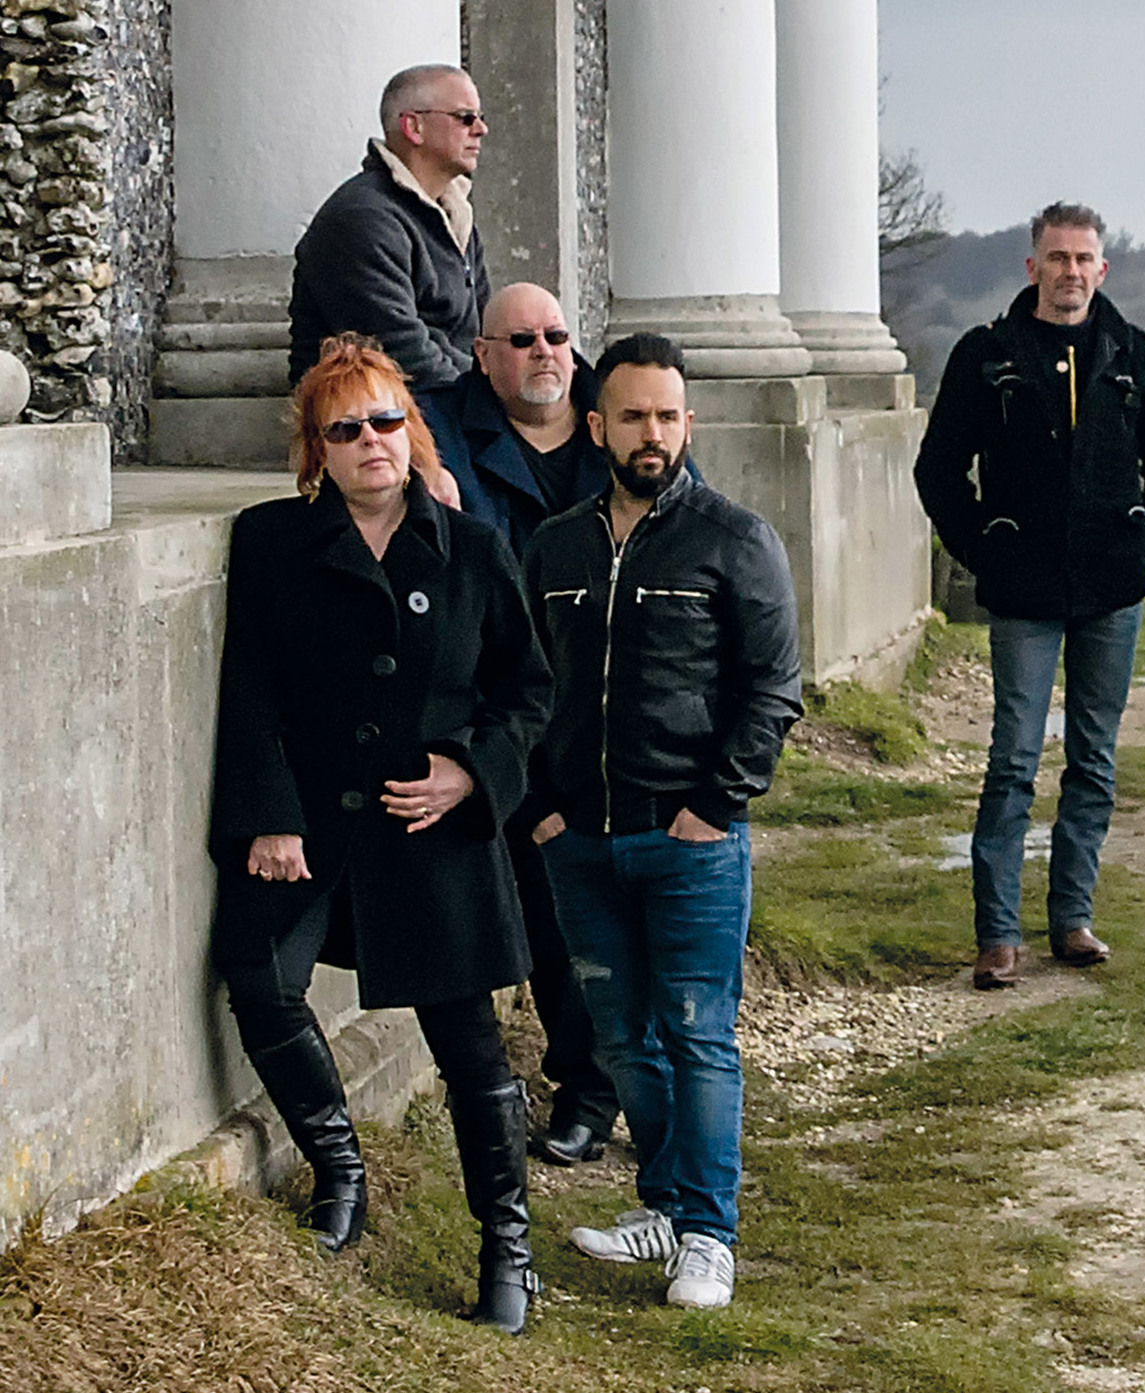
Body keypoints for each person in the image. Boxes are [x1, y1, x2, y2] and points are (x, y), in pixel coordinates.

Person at [210, 334, 551, 1335]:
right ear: (317, 452)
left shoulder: (474, 549)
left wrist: (471, 771)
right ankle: (337, 1167)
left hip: (429, 823)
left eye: (387, 420)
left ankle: (509, 1246)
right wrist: (268, 814)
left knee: (468, 1039)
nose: (372, 441)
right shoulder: (273, 543)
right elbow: (253, 690)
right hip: (313, 818)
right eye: (346, 429)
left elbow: (527, 695)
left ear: (415, 428)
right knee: (258, 971)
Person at [523, 333, 802, 1311]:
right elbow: (519, 689)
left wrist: (712, 806)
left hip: (690, 841)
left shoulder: (734, 539)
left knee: (699, 1036)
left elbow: (773, 692)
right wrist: (543, 812)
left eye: (669, 415)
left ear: (690, 422)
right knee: (623, 1039)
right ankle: (669, 1208)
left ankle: (709, 1236)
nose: (654, 434)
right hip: (580, 844)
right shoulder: (552, 547)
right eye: (634, 415)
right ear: (596, 424)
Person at [913, 202, 1145, 991]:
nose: (1072, 271)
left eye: (1085, 259)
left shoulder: (1133, 354)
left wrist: (1143, 546)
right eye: (1057, 257)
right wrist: (983, 551)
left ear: (1102, 270)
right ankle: (997, 934)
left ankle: (1072, 918)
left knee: (1093, 759)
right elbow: (938, 470)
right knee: (1012, 760)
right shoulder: (988, 355)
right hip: (1023, 593)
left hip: (1111, 590)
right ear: (1031, 266)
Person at [428, 282, 620, 1166]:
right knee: (548, 907)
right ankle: (582, 1084)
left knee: (638, 900)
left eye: (557, 335)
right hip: (502, 700)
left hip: (609, 695)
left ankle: (649, 1081)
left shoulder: (614, 423)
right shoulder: (441, 436)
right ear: (482, 354)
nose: (545, 352)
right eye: (522, 339)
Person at [289, 64, 490, 394]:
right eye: (465, 117)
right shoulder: (361, 219)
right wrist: (488, 403)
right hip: (372, 424)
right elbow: (401, 353)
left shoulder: (455, 213)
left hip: (449, 404)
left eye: (480, 117)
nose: (481, 129)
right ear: (414, 126)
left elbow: (487, 332)